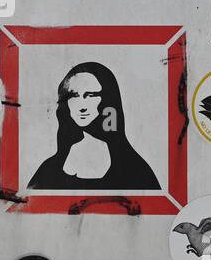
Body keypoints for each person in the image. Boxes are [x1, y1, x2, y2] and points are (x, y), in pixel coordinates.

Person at [29, 62, 160, 190]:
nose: (82, 106)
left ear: (107, 99)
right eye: (74, 96)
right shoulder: (49, 168)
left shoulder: (136, 169)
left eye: (91, 95)